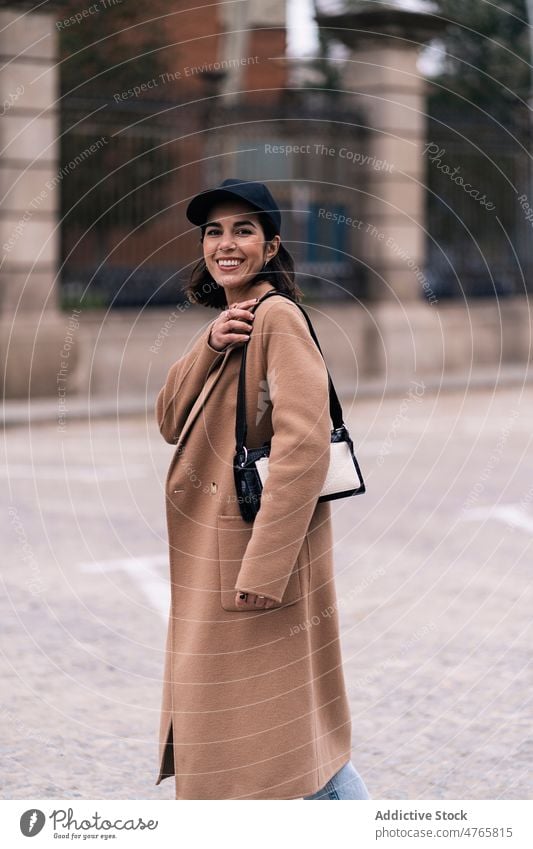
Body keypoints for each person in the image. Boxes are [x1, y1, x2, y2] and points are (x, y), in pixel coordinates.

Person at [154, 178, 370, 800]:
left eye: (243, 230)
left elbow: (304, 444)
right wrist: (209, 342)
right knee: (285, 745)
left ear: (271, 246)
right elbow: (171, 420)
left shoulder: (277, 318)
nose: (225, 244)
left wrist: (264, 570)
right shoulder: (234, 322)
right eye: (213, 232)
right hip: (224, 566)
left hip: (250, 570)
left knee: (266, 752)